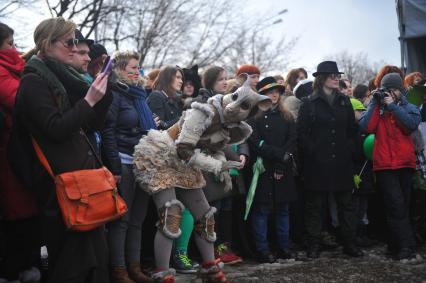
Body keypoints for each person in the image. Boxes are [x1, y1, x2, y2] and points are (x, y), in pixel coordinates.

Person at [133, 76, 271, 282]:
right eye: (234, 97)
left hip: (186, 164)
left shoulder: (231, 127)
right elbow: (183, 150)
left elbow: (215, 148)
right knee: (170, 213)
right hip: (163, 156)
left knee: (206, 216)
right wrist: (218, 166)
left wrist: (228, 162)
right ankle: (163, 274)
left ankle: (210, 268)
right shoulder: (204, 111)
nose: (234, 106)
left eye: (244, 105)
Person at [14, 17, 112, 282]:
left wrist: (102, 93)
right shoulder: (34, 81)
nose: (74, 48)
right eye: (69, 42)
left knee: (95, 257)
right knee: (72, 263)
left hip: (81, 180)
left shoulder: (67, 79)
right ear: (48, 44)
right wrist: (90, 99)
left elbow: (93, 124)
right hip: (60, 186)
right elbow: (55, 129)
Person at [297, 61, 363, 259]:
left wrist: (349, 149)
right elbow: (301, 133)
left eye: (337, 75)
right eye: (332, 75)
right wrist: (314, 151)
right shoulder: (309, 102)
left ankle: (349, 244)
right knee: (315, 206)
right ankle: (313, 245)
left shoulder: (344, 101)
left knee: (347, 206)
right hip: (317, 164)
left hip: (341, 163)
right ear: (322, 78)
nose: (337, 78)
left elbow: (352, 131)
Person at [101, 51, 155, 283]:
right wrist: (113, 168)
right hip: (122, 162)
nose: (136, 72)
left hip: (142, 162)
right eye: (131, 68)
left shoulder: (138, 95)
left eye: (137, 67)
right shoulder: (114, 94)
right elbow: (108, 133)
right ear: (118, 70)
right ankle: (119, 269)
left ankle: (134, 267)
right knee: (122, 220)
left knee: (138, 219)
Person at [360, 73, 421, 260]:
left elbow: (410, 125)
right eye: (386, 89)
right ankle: (406, 248)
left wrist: (393, 106)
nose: (389, 93)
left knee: (402, 206)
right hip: (385, 165)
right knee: (396, 205)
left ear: (400, 90)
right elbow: (366, 127)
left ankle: (394, 245)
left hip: (405, 164)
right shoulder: (378, 107)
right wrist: (375, 104)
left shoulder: (409, 107)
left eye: (393, 89)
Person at [0, 22, 40, 282]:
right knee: (15, 211)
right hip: (8, 154)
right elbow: (19, 100)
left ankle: (27, 265)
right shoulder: (5, 72)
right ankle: (14, 269)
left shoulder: (16, 68)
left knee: (26, 210)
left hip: (21, 150)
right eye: (9, 44)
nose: (15, 49)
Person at [247, 76, 297, 263]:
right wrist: (278, 156)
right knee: (261, 210)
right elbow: (256, 143)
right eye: (269, 91)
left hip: (283, 168)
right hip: (263, 170)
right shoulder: (254, 119)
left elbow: (292, 142)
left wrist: (281, 164)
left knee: (283, 210)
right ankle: (262, 249)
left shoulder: (287, 117)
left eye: (276, 91)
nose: (274, 94)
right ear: (261, 95)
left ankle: (283, 247)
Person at [147, 66, 183, 130]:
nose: (181, 81)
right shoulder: (156, 96)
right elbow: (159, 127)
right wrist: (182, 118)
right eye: (178, 77)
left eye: (181, 78)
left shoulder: (176, 99)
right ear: (167, 78)